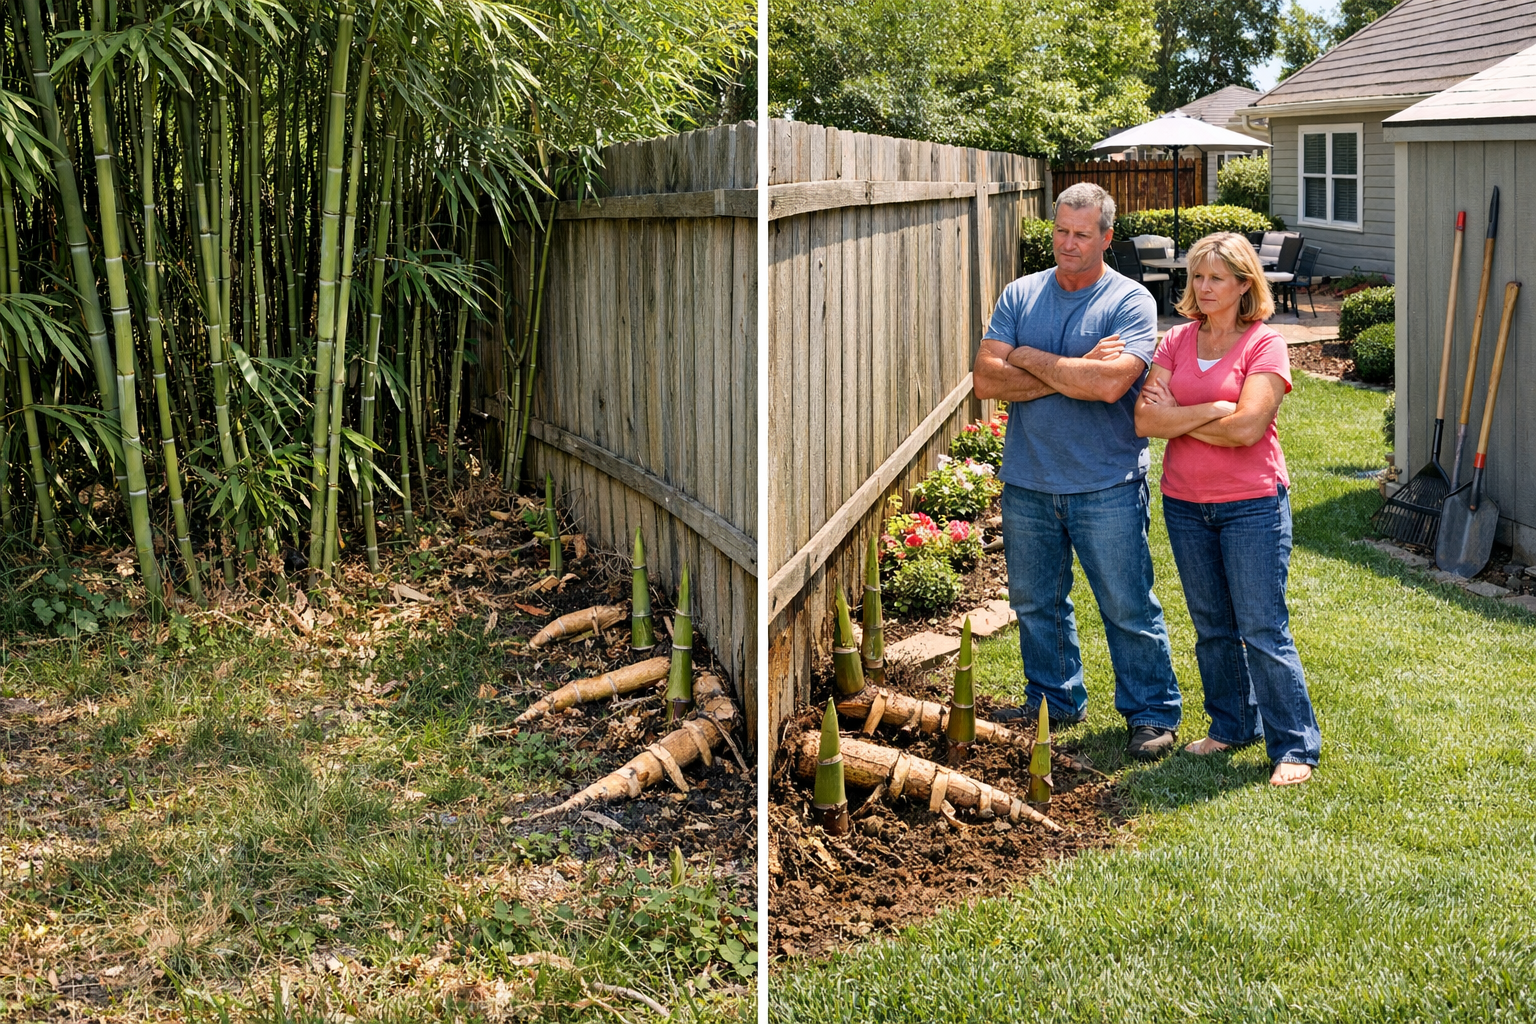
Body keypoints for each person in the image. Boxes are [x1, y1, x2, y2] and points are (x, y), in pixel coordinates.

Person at [972, 182, 1182, 761]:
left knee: (1126, 603)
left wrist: (1025, 359)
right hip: (1028, 480)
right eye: (1061, 231)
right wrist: (1072, 372)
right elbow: (985, 381)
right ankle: (1054, 699)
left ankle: (1152, 712)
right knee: (1037, 603)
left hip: (1105, 482)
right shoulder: (1021, 294)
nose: (1067, 244)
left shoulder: (1129, 301)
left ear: (1106, 238)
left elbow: (1111, 384)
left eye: (1081, 235)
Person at [1134, 232, 1320, 786]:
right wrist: (1217, 406)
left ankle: (1295, 746)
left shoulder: (1265, 344)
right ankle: (1233, 725)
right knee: (1212, 625)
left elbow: (1249, 428)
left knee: (1262, 627)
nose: (1204, 287)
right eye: (1197, 276)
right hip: (1186, 504)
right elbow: (1145, 422)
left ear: (1244, 285)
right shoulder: (1175, 342)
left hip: (1252, 505)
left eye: (1217, 277)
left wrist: (1186, 413)